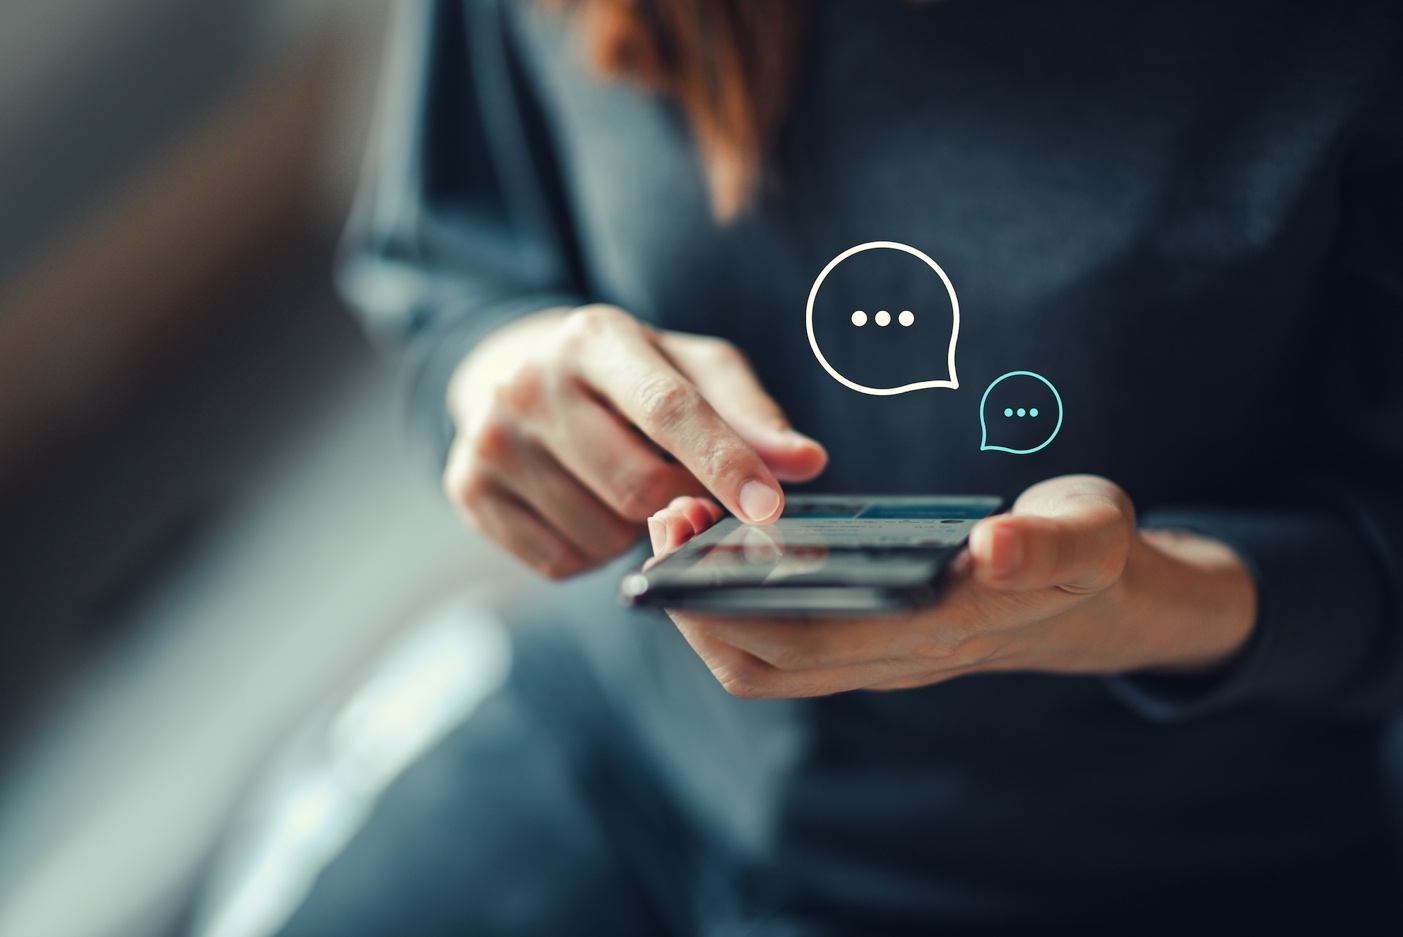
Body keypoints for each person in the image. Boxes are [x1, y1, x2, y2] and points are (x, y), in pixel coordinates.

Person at [279, 0, 1403, 932]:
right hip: (622, 744)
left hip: (1129, 871)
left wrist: (1156, 602)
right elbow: (443, 256)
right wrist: (495, 375)